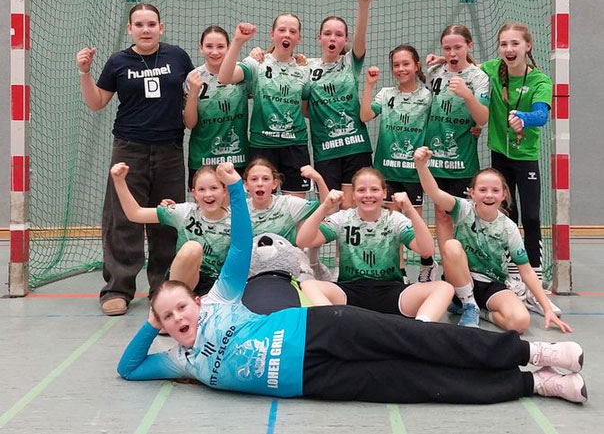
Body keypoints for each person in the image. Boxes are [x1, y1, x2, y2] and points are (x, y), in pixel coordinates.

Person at [118, 162, 587, 404]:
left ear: (198, 302)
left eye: (181, 307)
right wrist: (153, 321)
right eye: (169, 317)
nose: (178, 317)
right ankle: (535, 384)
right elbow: (129, 368)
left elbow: (241, 247)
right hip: (313, 381)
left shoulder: (220, 299)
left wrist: (237, 190)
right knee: (416, 383)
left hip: (318, 330)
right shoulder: (179, 359)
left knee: (421, 341)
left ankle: (535, 353)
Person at [76, 3, 194, 316]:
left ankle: (163, 287)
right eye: (139, 25)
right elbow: (97, 102)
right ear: (130, 29)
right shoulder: (118, 62)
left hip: (169, 148)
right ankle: (118, 287)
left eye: (151, 24)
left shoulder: (177, 57)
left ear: (161, 27)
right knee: (123, 219)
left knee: (167, 217)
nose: (145, 30)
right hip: (129, 148)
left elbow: (194, 93)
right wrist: (85, 72)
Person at [413, 146, 570, 333]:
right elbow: (434, 192)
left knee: (520, 322)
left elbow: (526, 271)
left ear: (504, 195)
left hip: (491, 284)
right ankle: (468, 304)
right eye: (482, 190)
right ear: (472, 193)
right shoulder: (463, 209)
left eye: (495, 190)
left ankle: (482, 313)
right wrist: (421, 165)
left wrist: (546, 308)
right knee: (451, 246)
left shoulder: (508, 227)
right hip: (461, 280)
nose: (489, 195)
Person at [295, 166, 452, 321]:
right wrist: (324, 207)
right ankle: (337, 325)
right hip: (349, 292)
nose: (368, 195)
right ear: (353, 194)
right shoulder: (342, 218)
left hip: (391, 292)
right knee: (308, 286)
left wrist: (410, 209)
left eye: (375, 189)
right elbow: (303, 240)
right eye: (361, 190)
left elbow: (427, 249)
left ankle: (420, 328)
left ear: (384, 193)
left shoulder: (395, 219)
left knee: (444, 288)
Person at [481, 22, 557, 315]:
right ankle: (513, 277)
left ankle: (535, 281)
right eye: (504, 44)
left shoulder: (539, 80)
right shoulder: (492, 70)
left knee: (532, 216)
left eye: (515, 43)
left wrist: (524, 117)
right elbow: (467, 67)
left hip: (525, 156)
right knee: (506, 216)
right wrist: (442, 59)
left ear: (528, 46)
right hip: (500, 154)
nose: (509, 49)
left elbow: (541, 115)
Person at [360, 46, 435, 281]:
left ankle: (426, 264)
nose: (401, 69)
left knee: (414, 223)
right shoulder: (385, 94)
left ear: (417, 65)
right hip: (387, 171)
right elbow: (365, 116)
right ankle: (400, 272)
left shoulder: (428, 97)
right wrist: (369, 85)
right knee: (392, 225)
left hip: (414, 173)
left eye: (406, 64)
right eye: (396, 65)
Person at [423, 24, 490, 286]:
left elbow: (482, 119)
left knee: (463, 217)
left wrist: (467, 95)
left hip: (463, 159)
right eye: (447, 48)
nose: (452, 53)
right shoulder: (434, 72)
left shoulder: (478, 77)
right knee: (441, 215)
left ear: (469, 46)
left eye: (458, 47)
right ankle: (449, 272)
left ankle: (468, 271)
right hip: (435, 157)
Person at [218, 16, 311, 196]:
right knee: (261, 205)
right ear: (272, 34)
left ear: (299, 38)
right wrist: (238, 41)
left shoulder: (304, 69)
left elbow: (306, 109)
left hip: (295, 146)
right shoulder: (257, 63)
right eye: (282, 30)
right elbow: (224, 77)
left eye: (293, 31)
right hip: (262, 146)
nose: (287, 34)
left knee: (296, 207)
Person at [110, 162, 231, 296]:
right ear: (194, 193)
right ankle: (172, 298)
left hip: (217, 286)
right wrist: (119, 181)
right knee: (192, 247)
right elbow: (136, 213)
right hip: (183, 279)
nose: (208, 194)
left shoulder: (236, 221)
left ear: (224, 191)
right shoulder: (184, 212)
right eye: (201, 189)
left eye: (214, 188)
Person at [305, 0, 374, 208]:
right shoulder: (307, 68)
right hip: (326, 150)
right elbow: (305, 108)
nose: (332, 38)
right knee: (330, 209)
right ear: (319, 38)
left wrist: (363, 5)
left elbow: (361, 37)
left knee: (352, 208)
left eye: (338, 34)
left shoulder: (350, 63)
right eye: (327, 34)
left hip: (356, 148)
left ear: (345, 40)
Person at [184, 25, 248, 187]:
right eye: (209, 46)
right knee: (207, 202)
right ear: (201, 48)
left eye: (220, 46)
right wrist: (193, 93)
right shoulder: (193, 77)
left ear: (228, 47)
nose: (214, 52)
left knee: (237, 201)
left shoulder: (241, 72)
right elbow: (190, 124)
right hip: (203, 159)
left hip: (237, 158)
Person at [244, 158, 328, 245]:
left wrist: (319, 179)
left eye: (265, 179)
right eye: (254, 179)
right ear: (246, 184)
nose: (260, 183)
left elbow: (327, 207)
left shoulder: (287, 204)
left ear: (274, 184)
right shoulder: (239, 209)